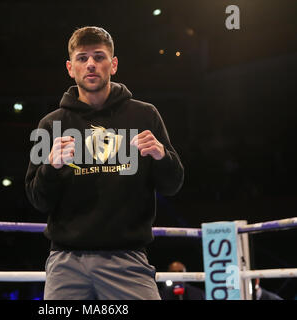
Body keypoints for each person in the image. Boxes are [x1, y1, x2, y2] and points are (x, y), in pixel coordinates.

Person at [25, 26, 184, 300]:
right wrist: (50, 167)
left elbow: (173, 185)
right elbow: (38, 200)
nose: (90, 64)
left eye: (99, 57)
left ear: (113, 64)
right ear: (70, 67)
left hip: (127, 260)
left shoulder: (145, 116)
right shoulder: (51, 125)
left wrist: (162, 156)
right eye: (82, 58)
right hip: (67, 263)